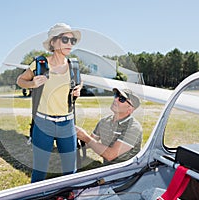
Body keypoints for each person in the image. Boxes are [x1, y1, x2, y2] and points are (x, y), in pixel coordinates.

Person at [16, 23, 82, 183]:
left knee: (70, 170)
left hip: (67, 124)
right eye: (65, 39)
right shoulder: (40, 64)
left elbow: (79, 82)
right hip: (43, 124)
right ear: (53, 42)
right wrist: (32, 84)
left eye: (72, 40)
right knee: (40, 170)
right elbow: (20, 80)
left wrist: (78, 89)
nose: (69, 44)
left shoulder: (73, 65)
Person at [76, 88, 142, 165]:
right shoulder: (104, 121)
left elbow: (110, 155)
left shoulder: (133, 128)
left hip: (127, 173)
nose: (116, 99)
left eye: (122, 99)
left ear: (130, 109)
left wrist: (85, 137)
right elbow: (88, 143)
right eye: (116, 95)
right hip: (108, 169)